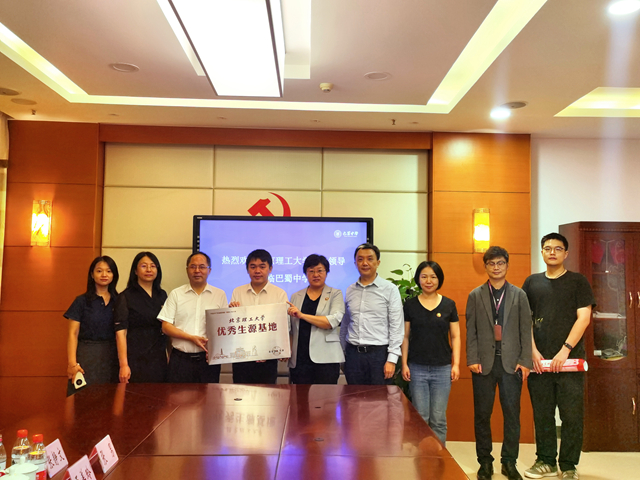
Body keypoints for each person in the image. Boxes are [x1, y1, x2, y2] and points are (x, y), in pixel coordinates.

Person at [522, 233, 595, 480]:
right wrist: (532, 350)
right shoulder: (532, 283)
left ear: (566, 253)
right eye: (547, 248)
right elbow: (525, 319)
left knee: (571, 416)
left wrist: (565, 350)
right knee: (542, 414)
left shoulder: (578, 281)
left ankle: (569, 465)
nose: (552, 252)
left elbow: (584, 318)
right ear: (542, 252)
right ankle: (545, 461)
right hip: (539, 363)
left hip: (570, 362)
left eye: (557, 248)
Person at [466, 246, 532, 480]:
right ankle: (485, 462)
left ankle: (509, 462)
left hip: (511, 364)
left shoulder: (519, 295)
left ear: (507, 265)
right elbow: (471, 330)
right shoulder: (475, 295)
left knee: (512, 415)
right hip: (483, 364)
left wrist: (525, 361)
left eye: (500, 263)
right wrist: (472, 358)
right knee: (482, 415)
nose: (496, 267)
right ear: (485, 267)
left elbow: (526, 329)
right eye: (491, 263)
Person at [401, 260, 460, 445]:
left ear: (439, 279)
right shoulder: (410, 305)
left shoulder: (449, 305)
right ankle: (422, 458)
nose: (428, 281)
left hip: (442, 368)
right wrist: (404, 364)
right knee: (421, 418)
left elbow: (456, 337)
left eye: (433, 277)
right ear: (418, 279)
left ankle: (439, 458)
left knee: (438, 419)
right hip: (417, 368)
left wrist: (456, 364)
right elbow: (405, 337)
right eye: (424, 276)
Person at [158, 252, 228, 383]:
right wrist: (191, 338)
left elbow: (224, 328)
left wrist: (216, 349)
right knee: (177, 396)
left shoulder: (220, 295)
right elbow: (166, 327)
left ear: (209, 270)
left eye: (202, 267)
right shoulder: (176, 294)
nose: (197, 271)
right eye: (193, 267)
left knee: (209, 395)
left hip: (208, 361)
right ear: (187, 270)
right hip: (180, 360)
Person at [340, 243, 404, 385]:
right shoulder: (350, 290)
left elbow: (396, 326)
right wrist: (343, 355)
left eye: (370, 259)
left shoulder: (390, 289)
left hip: (379, 356)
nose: (365, 263)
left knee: (379, 397)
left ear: (378, 262)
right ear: (355, 263)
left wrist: (392, 360)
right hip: (353, 354)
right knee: (354, 397)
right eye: (360, 259)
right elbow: (345, 324)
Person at [230, 249, 288, 384]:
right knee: (240, 393)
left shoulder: (279, 294)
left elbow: (283, 325)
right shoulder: (237, 292)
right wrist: (231, 313)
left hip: (268, 357)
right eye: (253, 267)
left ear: (270, 269)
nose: (257, 271)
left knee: (267, 394)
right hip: (241, 356)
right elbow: (233, 324)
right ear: (247, 269)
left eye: (262, 267)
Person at [65, 256, 120, 395]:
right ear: (92, 274)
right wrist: (72, 363)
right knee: (83, 398)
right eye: (99, 271)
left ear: (114, 275)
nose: (104, 274)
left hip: (112, 356)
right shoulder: (81, 301)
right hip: (87, 355)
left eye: (109, 271)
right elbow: (73, 333)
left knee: (110, 399)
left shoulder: (119, 301)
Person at [287, 254, 345, 384]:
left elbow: (331, 322)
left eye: (320, 271)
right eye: (311, 271)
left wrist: (302, 315)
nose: (316, 275)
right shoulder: (296, 296)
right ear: (306, 273)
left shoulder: (335, 294)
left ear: (327, 272)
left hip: (326, 358)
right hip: (300, 358)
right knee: (300, 396)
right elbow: (291, 329)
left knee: (325, 396)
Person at [114, 251, 168, 383]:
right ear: (135, 271)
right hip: (135, 357)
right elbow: (121, 333)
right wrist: (124, 365)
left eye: (153, 266)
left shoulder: (162, 295)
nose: (149, 270)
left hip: (158, 356)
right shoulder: (125, 296)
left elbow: (167, 327)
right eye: (144, 266)